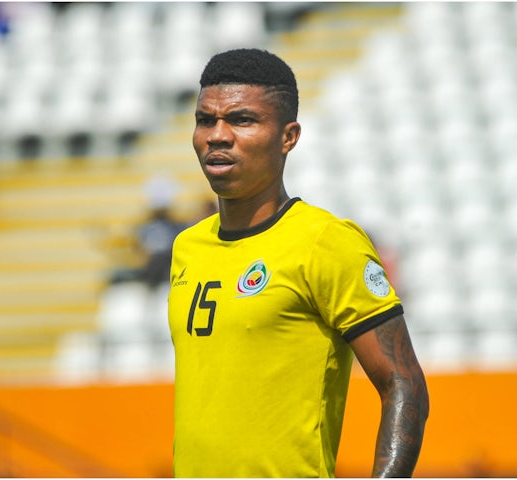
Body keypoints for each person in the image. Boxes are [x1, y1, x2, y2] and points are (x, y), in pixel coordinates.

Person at [167, 48, 429, 478]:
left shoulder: (326, 242)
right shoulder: (187, 246)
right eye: (205, 119)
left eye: (242, 119)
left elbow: (404, 383)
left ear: (288, 136)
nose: (217, 134)